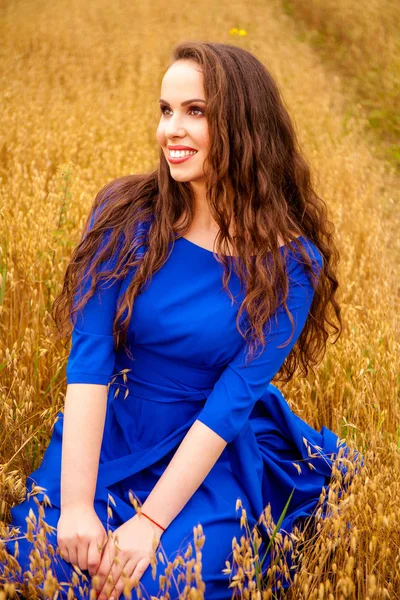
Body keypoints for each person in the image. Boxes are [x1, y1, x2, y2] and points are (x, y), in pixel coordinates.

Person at [1, 41, 357, 600]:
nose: (172, 129)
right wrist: (74, 506)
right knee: (42, 566)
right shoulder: (125, 214)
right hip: (108, 430)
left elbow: (232, 400)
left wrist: (149, 525)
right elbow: (90, 355)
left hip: (204, 450)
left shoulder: (293, 264)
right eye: (166, 110)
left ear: (244, 125)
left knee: (164, 583)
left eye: (196, 111)